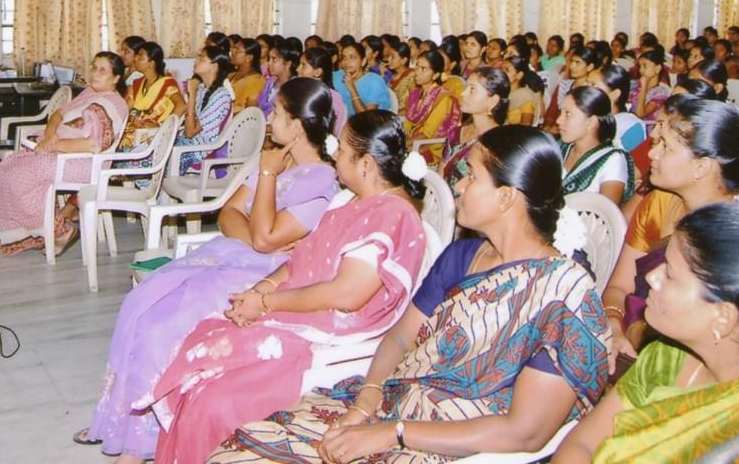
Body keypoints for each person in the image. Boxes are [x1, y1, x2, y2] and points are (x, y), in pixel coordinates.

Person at [209, 126, 610, 463]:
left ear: (506, 197)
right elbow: (402, 337)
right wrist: (365, 403)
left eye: (471, 175)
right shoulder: (463, 255)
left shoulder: (564, 295)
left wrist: (393, 434)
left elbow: (524, 433)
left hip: (454, 443)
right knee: (238, 452)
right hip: (393, 403)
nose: (460, 183)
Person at [74, 79, 341, 462]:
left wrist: (264, 189)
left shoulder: (320, 180)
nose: (270, 116)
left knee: (159, 325)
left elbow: (270, 243)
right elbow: (230, 212)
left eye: (278, 112)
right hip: (233, 252)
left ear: (298, 125)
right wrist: (256, 234)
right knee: (138, 302)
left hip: (266, 275)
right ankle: (117, 421)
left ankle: (142, 441)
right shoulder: (276, 160)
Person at [148, 111, 428, 464]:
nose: (334, 156)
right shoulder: (349, 200)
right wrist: (261, 289)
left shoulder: (393, 215)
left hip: (327, 335)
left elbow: (346, 294)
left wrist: (266, 304)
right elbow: (300, 262)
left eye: (341, 150)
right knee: (197, 354)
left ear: (367, 165)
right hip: (299, 314)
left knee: (212, 399)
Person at [556, 203, 739, 463]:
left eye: (669, 274)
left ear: (723, 317)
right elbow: (581, 444)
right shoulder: (667, 357)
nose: (652, 278)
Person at [601, 98, 739, 372]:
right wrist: (614, 323)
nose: (651, 154)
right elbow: (619, 287)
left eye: (666, 147)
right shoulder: (658, 202)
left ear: (701, 166)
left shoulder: (737, 237)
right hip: (627, 337)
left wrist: (642, 333)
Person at [0, 52, 129, 256]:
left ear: (116, 78)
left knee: (19, 176)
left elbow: (92, 145)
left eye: (102, 70)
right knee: (7, 167)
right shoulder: (89, 92)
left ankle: (61, 230)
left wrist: (54, 145)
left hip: (85, 163)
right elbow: (59, 113)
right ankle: (45, 229)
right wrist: (50, 134)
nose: (95, 73)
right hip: (62, 152)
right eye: (94, 67)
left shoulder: (114, 104)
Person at [558, 86, 634, 206]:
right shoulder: (560, 149)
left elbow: (607, 215)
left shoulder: (612, 159)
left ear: (591, 122)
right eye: (560, 113)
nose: (559, 120)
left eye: (568, 114)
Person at [440, 67, 510, 195]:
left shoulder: (495, 144)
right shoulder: (456, 133)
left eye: (472, 89)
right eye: (466, 88)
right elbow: (441, 175)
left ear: (493, 101)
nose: (462, 93)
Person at [175, 46, 235, 174]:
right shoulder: (202, 89)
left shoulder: (221, 95)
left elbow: (190, 133)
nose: (195, 61)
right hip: (188, 144)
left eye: (201, 58)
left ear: (214, 66)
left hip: (199, 151)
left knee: (156, 157)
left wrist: (191, 95)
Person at [116, 41, 185, 150]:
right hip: (132, 133)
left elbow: (181, 106)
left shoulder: (167, 83)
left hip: (152, 137)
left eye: (140, 57)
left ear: (151, 63)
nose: (135, 59)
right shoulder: (136, 84)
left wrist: (162, 126)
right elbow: (125, 110)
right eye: (136, 55)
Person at [402, 50, 461, 164]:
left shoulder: (443, 98)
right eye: (417, 66)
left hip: (431, 147)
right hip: (412, 141)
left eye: (423, 69)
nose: (417, 72)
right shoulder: (416, 94)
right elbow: (408, 122)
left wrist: (402, 144)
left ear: (436, 75)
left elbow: (427, 134)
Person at [588, 64, 645, 151]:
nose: (586, 90)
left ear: (615, 94)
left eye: (594, 85)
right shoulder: (584, 114)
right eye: (587, 84)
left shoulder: (630, 126)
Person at [333, 43, 391, 116]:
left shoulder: (374, 81)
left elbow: (367, 117)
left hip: (363, 125)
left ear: (363, 61)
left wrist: (352, 88)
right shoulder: (337, 76)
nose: (346, 62)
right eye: (344, 58)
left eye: (352, 57)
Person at [299, 47, 347, 134]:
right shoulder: (300, 91)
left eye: (303, 65)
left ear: (317, 72)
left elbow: (331, 132)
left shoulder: (332, 98)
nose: (297, 69)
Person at [255, 38, 301, 117]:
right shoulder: (269, 82)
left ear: (287, 63)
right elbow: (259, 104)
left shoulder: (294, 87)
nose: (269, 63)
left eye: (274, 59)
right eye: (269, 59)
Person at [629, 47, 671, 121]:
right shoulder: (633, 84)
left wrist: (644, 87)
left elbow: (640, 114)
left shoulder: (661, 93)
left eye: (645, 66)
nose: (640, 70)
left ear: (657, 68)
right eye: (640, 66)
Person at [503, 56, 544, 126]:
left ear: (519, 75)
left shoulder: (525, 96)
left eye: (507, 70)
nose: (502, 73)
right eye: (501, 69)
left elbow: (526, 126)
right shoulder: (501, 93)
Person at [229, 37, 266, 113]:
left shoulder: (257, 80)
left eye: (237, 50)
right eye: (233, 49)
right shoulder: (231, 75)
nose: (232, 52)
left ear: (249, 57)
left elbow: (250, 111)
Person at [384, 43, 415, 113]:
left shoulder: (411, 75)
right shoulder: (392, 76)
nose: (389, 59)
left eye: (393, 57)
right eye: (389, 56)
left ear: (403, 60)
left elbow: (413, 104)